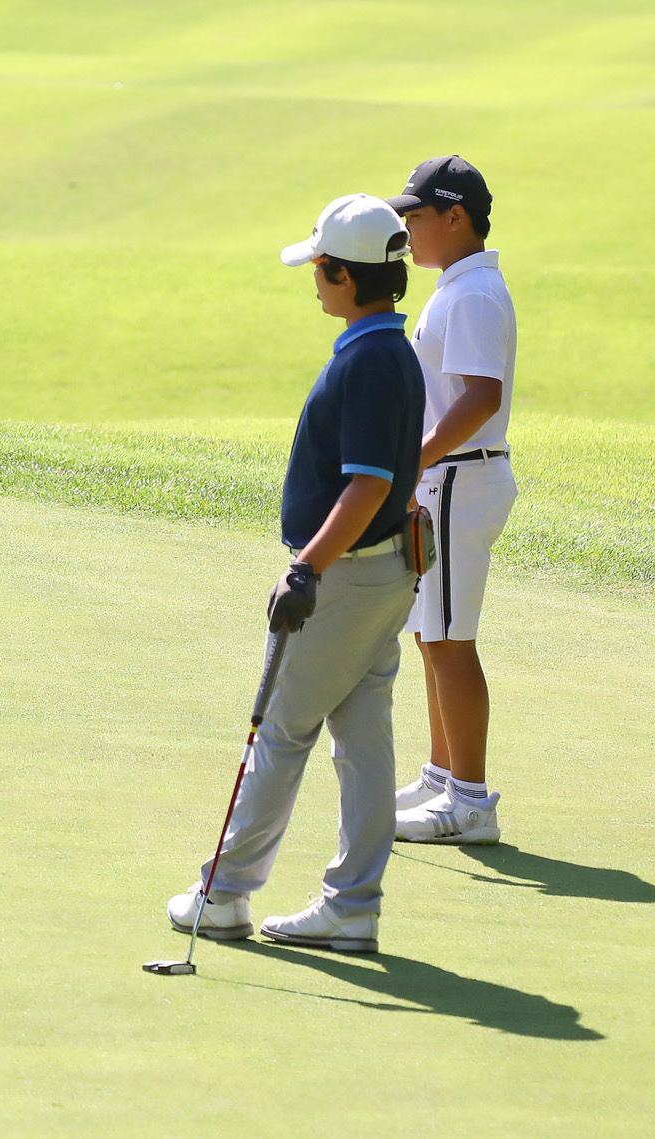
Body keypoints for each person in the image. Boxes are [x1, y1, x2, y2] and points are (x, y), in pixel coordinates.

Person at [165, 194, 424, 953]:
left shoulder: (370, 360)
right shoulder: (390, 350)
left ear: (344, 274)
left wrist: (307, 567)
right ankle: (353, 905)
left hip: (345, 579)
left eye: (319, 267)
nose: (313, 278)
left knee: (282, 731)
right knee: (364, 739)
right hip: (385, 574)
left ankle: (224, 895)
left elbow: (370, 483)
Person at [385, 156, 518, 846]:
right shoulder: (460, 287)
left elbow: (481, 397)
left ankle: (469, 801)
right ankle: (442, 776)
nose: (406, 230)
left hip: (459, 479)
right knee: (431, 634)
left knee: (449, 640)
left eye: (416, 217)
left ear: (455, 217)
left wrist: (418, 457)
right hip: (450, 479)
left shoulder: (471, 294)